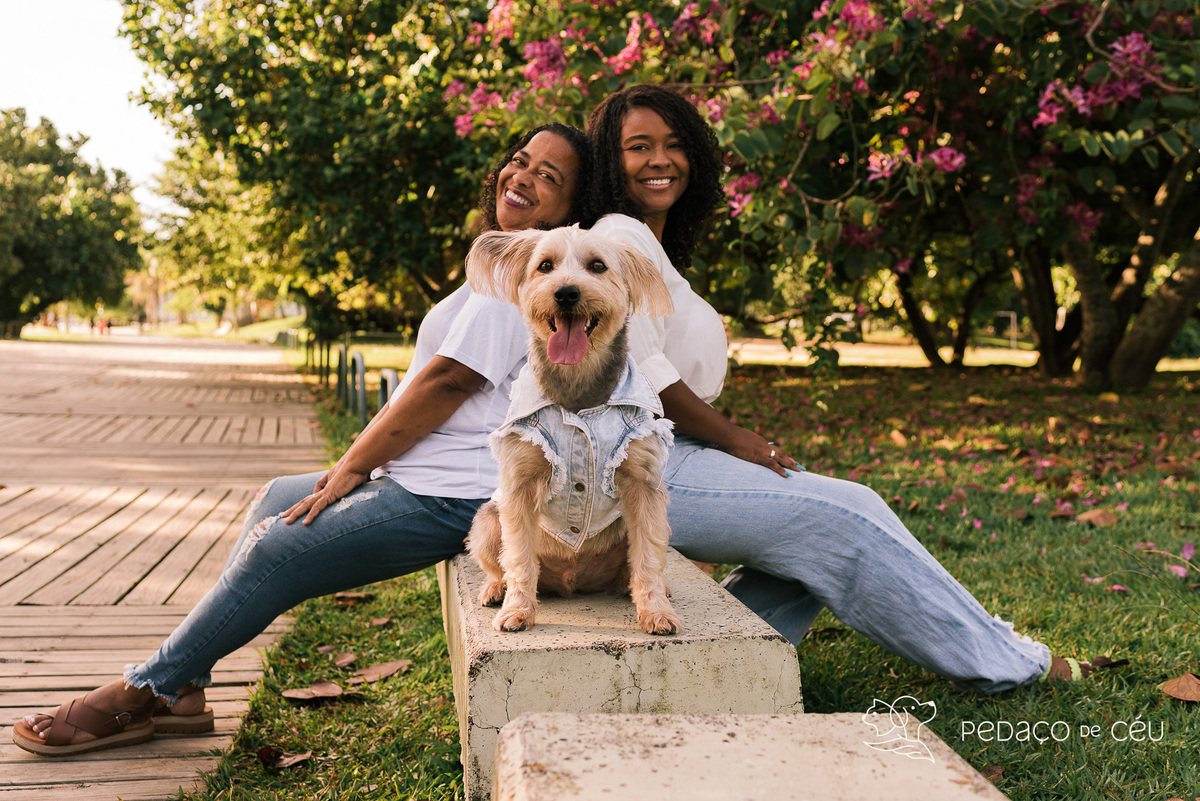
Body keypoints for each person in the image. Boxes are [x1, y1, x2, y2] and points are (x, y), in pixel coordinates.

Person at [12, 123, 593, 756]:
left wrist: (353, 465)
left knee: (275, 548)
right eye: (520, 161)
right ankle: (183, 690)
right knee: (275, 498)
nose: (523, 177)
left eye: (549, 176)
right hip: (424, 476)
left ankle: (141, 690)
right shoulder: (500, 264)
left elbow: (447, 383)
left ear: (572, 209)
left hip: (457, 496)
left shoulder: (532, 278)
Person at [585, 83, 1091, 693]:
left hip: (668, 451)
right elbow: (643, 373)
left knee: (809, 540)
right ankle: (1009, 665)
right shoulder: (619, 238)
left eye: (674, 145)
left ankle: (721, 671)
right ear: (611, 162)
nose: (659, 160)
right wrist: (733, 438)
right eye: (638, 147)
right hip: (636, 465)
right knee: (845, 513)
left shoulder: (647, 243)